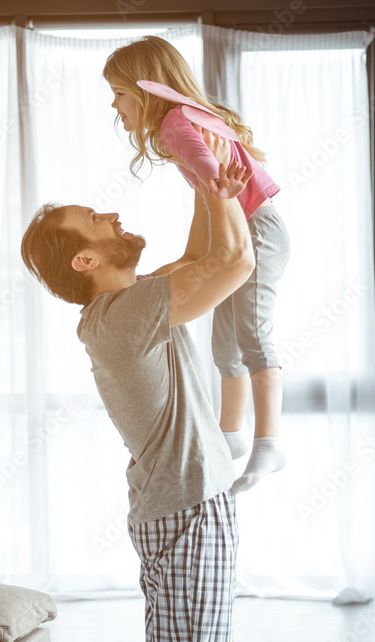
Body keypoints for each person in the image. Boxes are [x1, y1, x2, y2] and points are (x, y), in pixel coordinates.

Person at [20, 130, 256, 642]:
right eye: (99, 220)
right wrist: (210, 175)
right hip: (186, 513)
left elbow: (199, 262)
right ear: (86, 262)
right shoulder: (121, 316)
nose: (115, 214)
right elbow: (235, 265)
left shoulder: (130, 304)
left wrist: (204, 177)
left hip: (193, 505)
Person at [103, 35, 290, 494]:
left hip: (258, 233)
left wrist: (215, 181)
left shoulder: (173, 124)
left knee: (252, 336)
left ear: (146, 89)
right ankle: (231, 435)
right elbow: (193, 254)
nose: (114, 105)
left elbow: (205, 162)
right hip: (242, 226)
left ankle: (269, 443)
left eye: (119, 92)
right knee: (225, 344)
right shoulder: (183, 124)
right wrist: (139, 285)